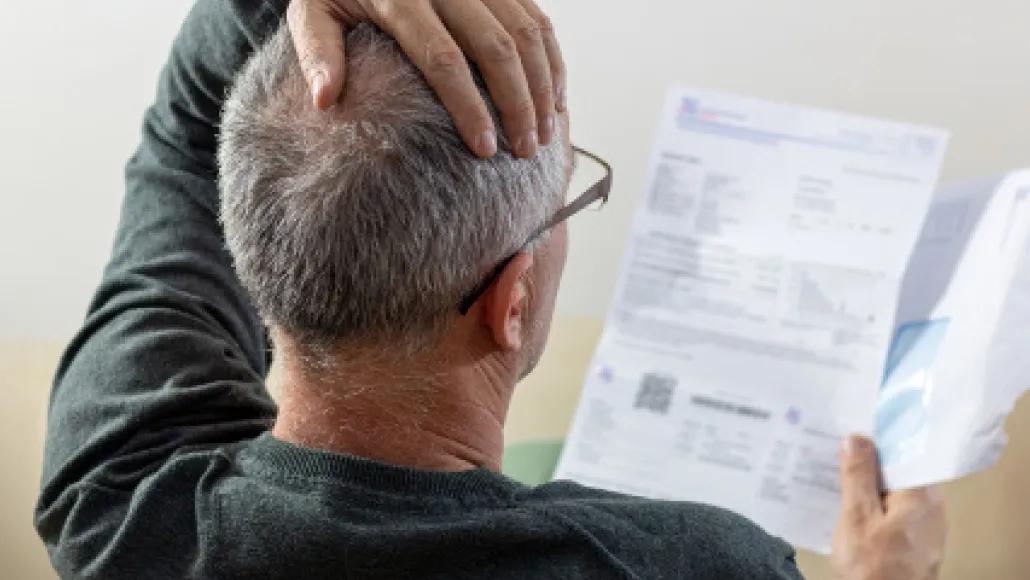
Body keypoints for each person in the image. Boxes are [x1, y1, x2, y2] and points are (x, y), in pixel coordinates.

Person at [34, 0, 946, 578]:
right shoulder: (693, 565)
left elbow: (181, 139)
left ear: (250, 253)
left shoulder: (117, 502)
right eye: (568, 201)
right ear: (511, 303)